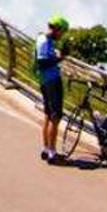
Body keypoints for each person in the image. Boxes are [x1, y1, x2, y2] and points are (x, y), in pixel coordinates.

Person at [37, 17, 69, 163]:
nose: (62, 35)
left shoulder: (45, 40)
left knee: (48, 115)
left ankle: (46, 149)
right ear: (57, 29)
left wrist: (56, 55)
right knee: (55, 117)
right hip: (50, 81)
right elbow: (43, 63)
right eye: (62, 32)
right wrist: (60, 58)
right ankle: (52, 153)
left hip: (46, 80)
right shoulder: (44, 41)